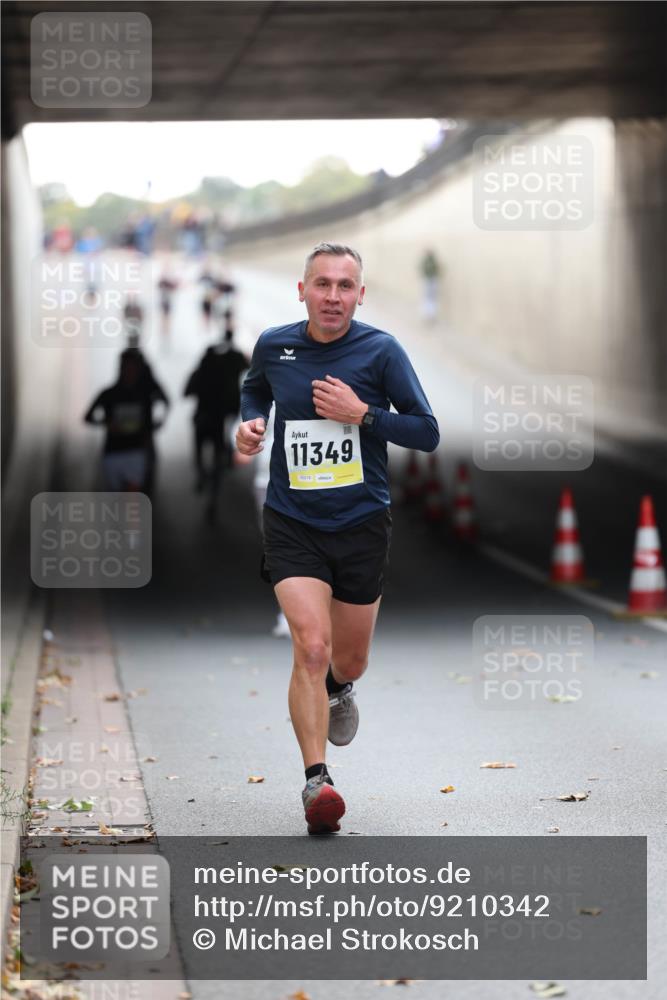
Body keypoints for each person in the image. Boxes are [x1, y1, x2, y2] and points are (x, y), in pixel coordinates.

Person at [236, 242, 439, 835]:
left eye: (344, 285)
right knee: (312, 646)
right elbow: (254, 389)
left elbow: (426, 433)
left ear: (359, 293)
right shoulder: (276, 344)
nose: (332, 295)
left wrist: (364, 414)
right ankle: (316, 782)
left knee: (347, 659)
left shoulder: (381, 351)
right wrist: (250, 425)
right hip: (293, 520)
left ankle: (340, 689)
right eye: (321, 284)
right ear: (302, 290)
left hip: (361, 524)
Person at [184, 327, 249, 516]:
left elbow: (186, 392)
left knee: (198, 453)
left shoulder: (201, 371)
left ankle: (201, 474)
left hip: (202, 419)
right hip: (221, 419)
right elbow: (251, 367)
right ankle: (212, 497)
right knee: (219, 457)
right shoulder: (233, 361)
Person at [84, 349, 169, 492]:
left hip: (136, 452)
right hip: (113, 453)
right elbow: (88, 417)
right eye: (127, 368)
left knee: (131, 501)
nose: (130, 372)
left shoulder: (145, 395)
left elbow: (162, 406)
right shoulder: (108, 394)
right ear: (121, 369)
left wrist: (153, 427)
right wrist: (106, 423)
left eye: (133, 369)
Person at [419, 248, 442, 323]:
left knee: (431, 298)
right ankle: (428, 315)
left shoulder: (432, 261)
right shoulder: (427, 261)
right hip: (428, 281)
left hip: (432, 281)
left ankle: (431, 315)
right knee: (428, 298)